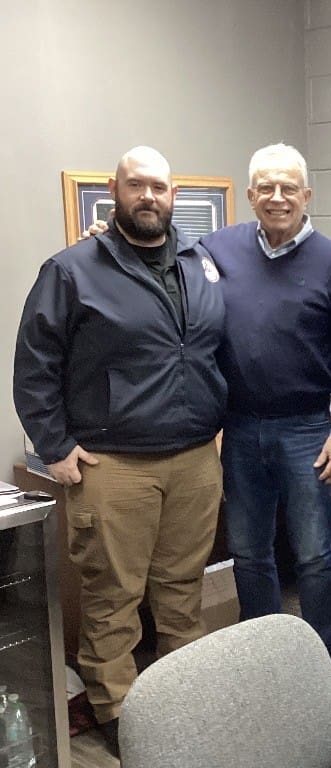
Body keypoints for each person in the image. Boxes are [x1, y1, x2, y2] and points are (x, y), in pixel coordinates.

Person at [14, 146, 227, 755]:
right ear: (115, 191)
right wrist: (54, 446)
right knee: (113, 597)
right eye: (136, 185)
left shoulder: (198, 261)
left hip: (194, 458)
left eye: (159, 186)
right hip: (114, 464)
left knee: (182, 590)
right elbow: (34, 365)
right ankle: (118, 710)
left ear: (174, 195)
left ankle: (182, 695)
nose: (148, 197)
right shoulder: (72, 270)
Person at [201, 143, 331, 666]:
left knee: (313, 555)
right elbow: (158, 259)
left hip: (307, 429)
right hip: (240, 429)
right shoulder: (217, 250)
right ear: (250, 196)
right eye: (266, 187)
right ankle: (263, 660)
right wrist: (106, 237)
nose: (277, 197)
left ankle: (322, 659)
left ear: (306, 195)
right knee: (249, 552)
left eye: (288, 187)